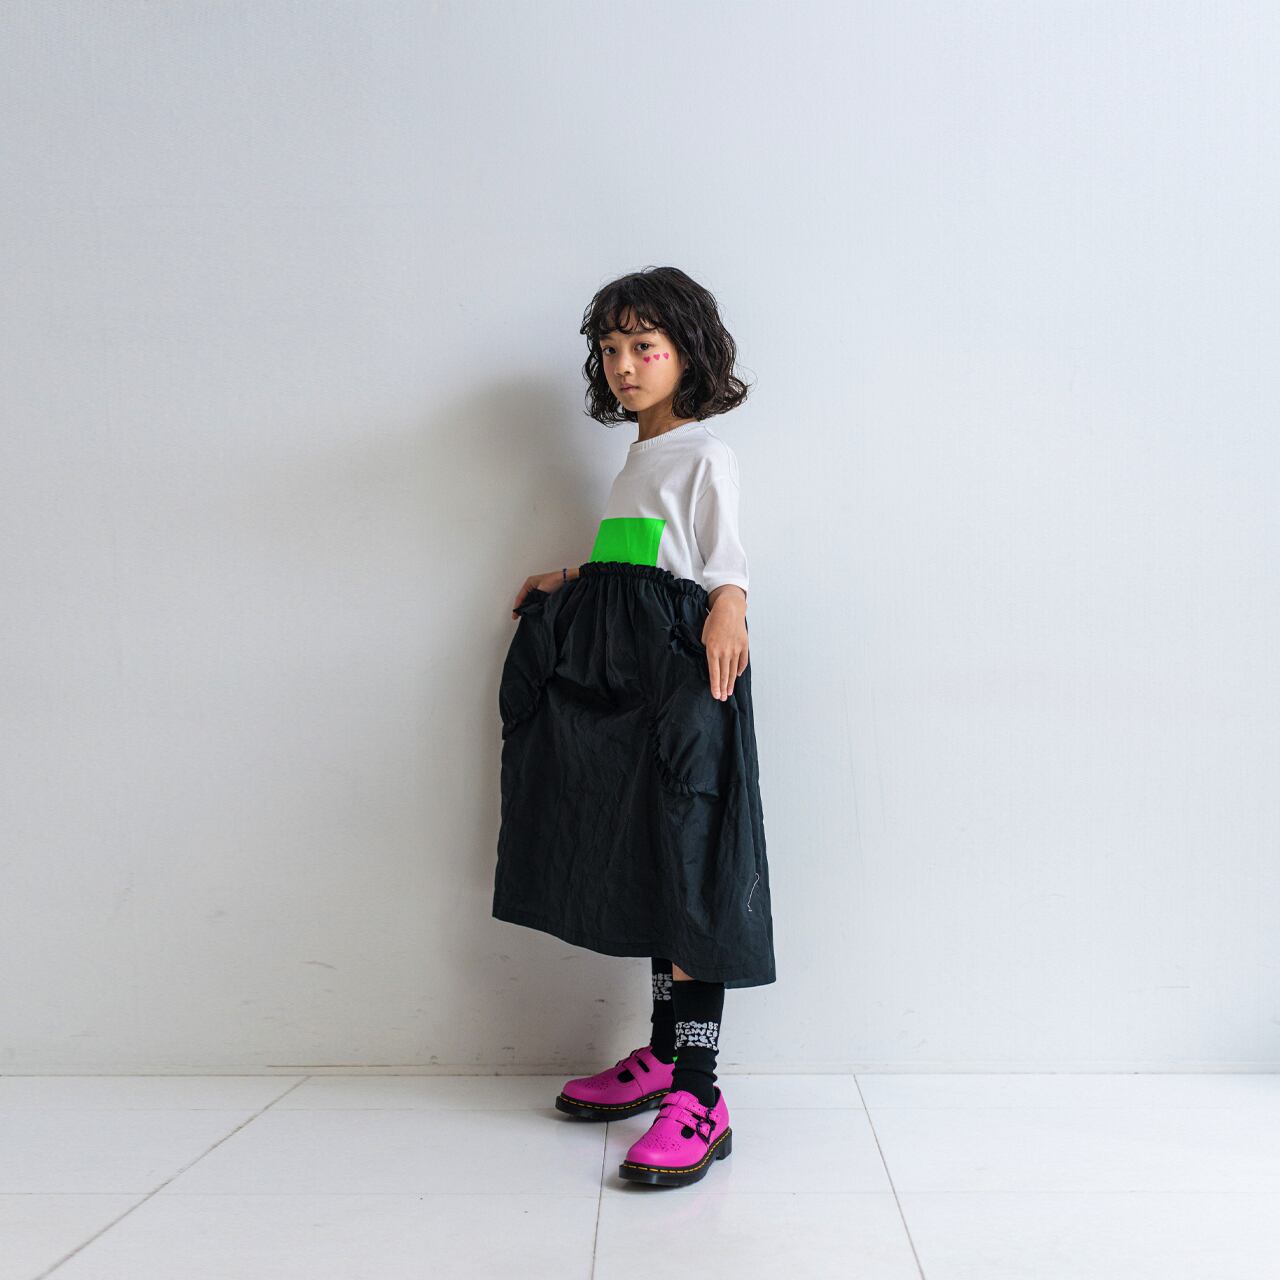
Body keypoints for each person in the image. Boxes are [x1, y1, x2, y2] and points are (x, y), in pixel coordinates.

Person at [493, 265, 776, 1187]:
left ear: (686, 352)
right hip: (630, 679)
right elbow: (646, 552)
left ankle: (700, 1093)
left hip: (685, 676)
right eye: (610, 349)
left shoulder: (703, 453)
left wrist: (730, 609)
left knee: (689, 863)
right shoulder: (638, 459)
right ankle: (660, 1055)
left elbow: (720, 562)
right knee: (651, 852)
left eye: (643, 346)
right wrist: (570, 577)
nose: (623, 364)